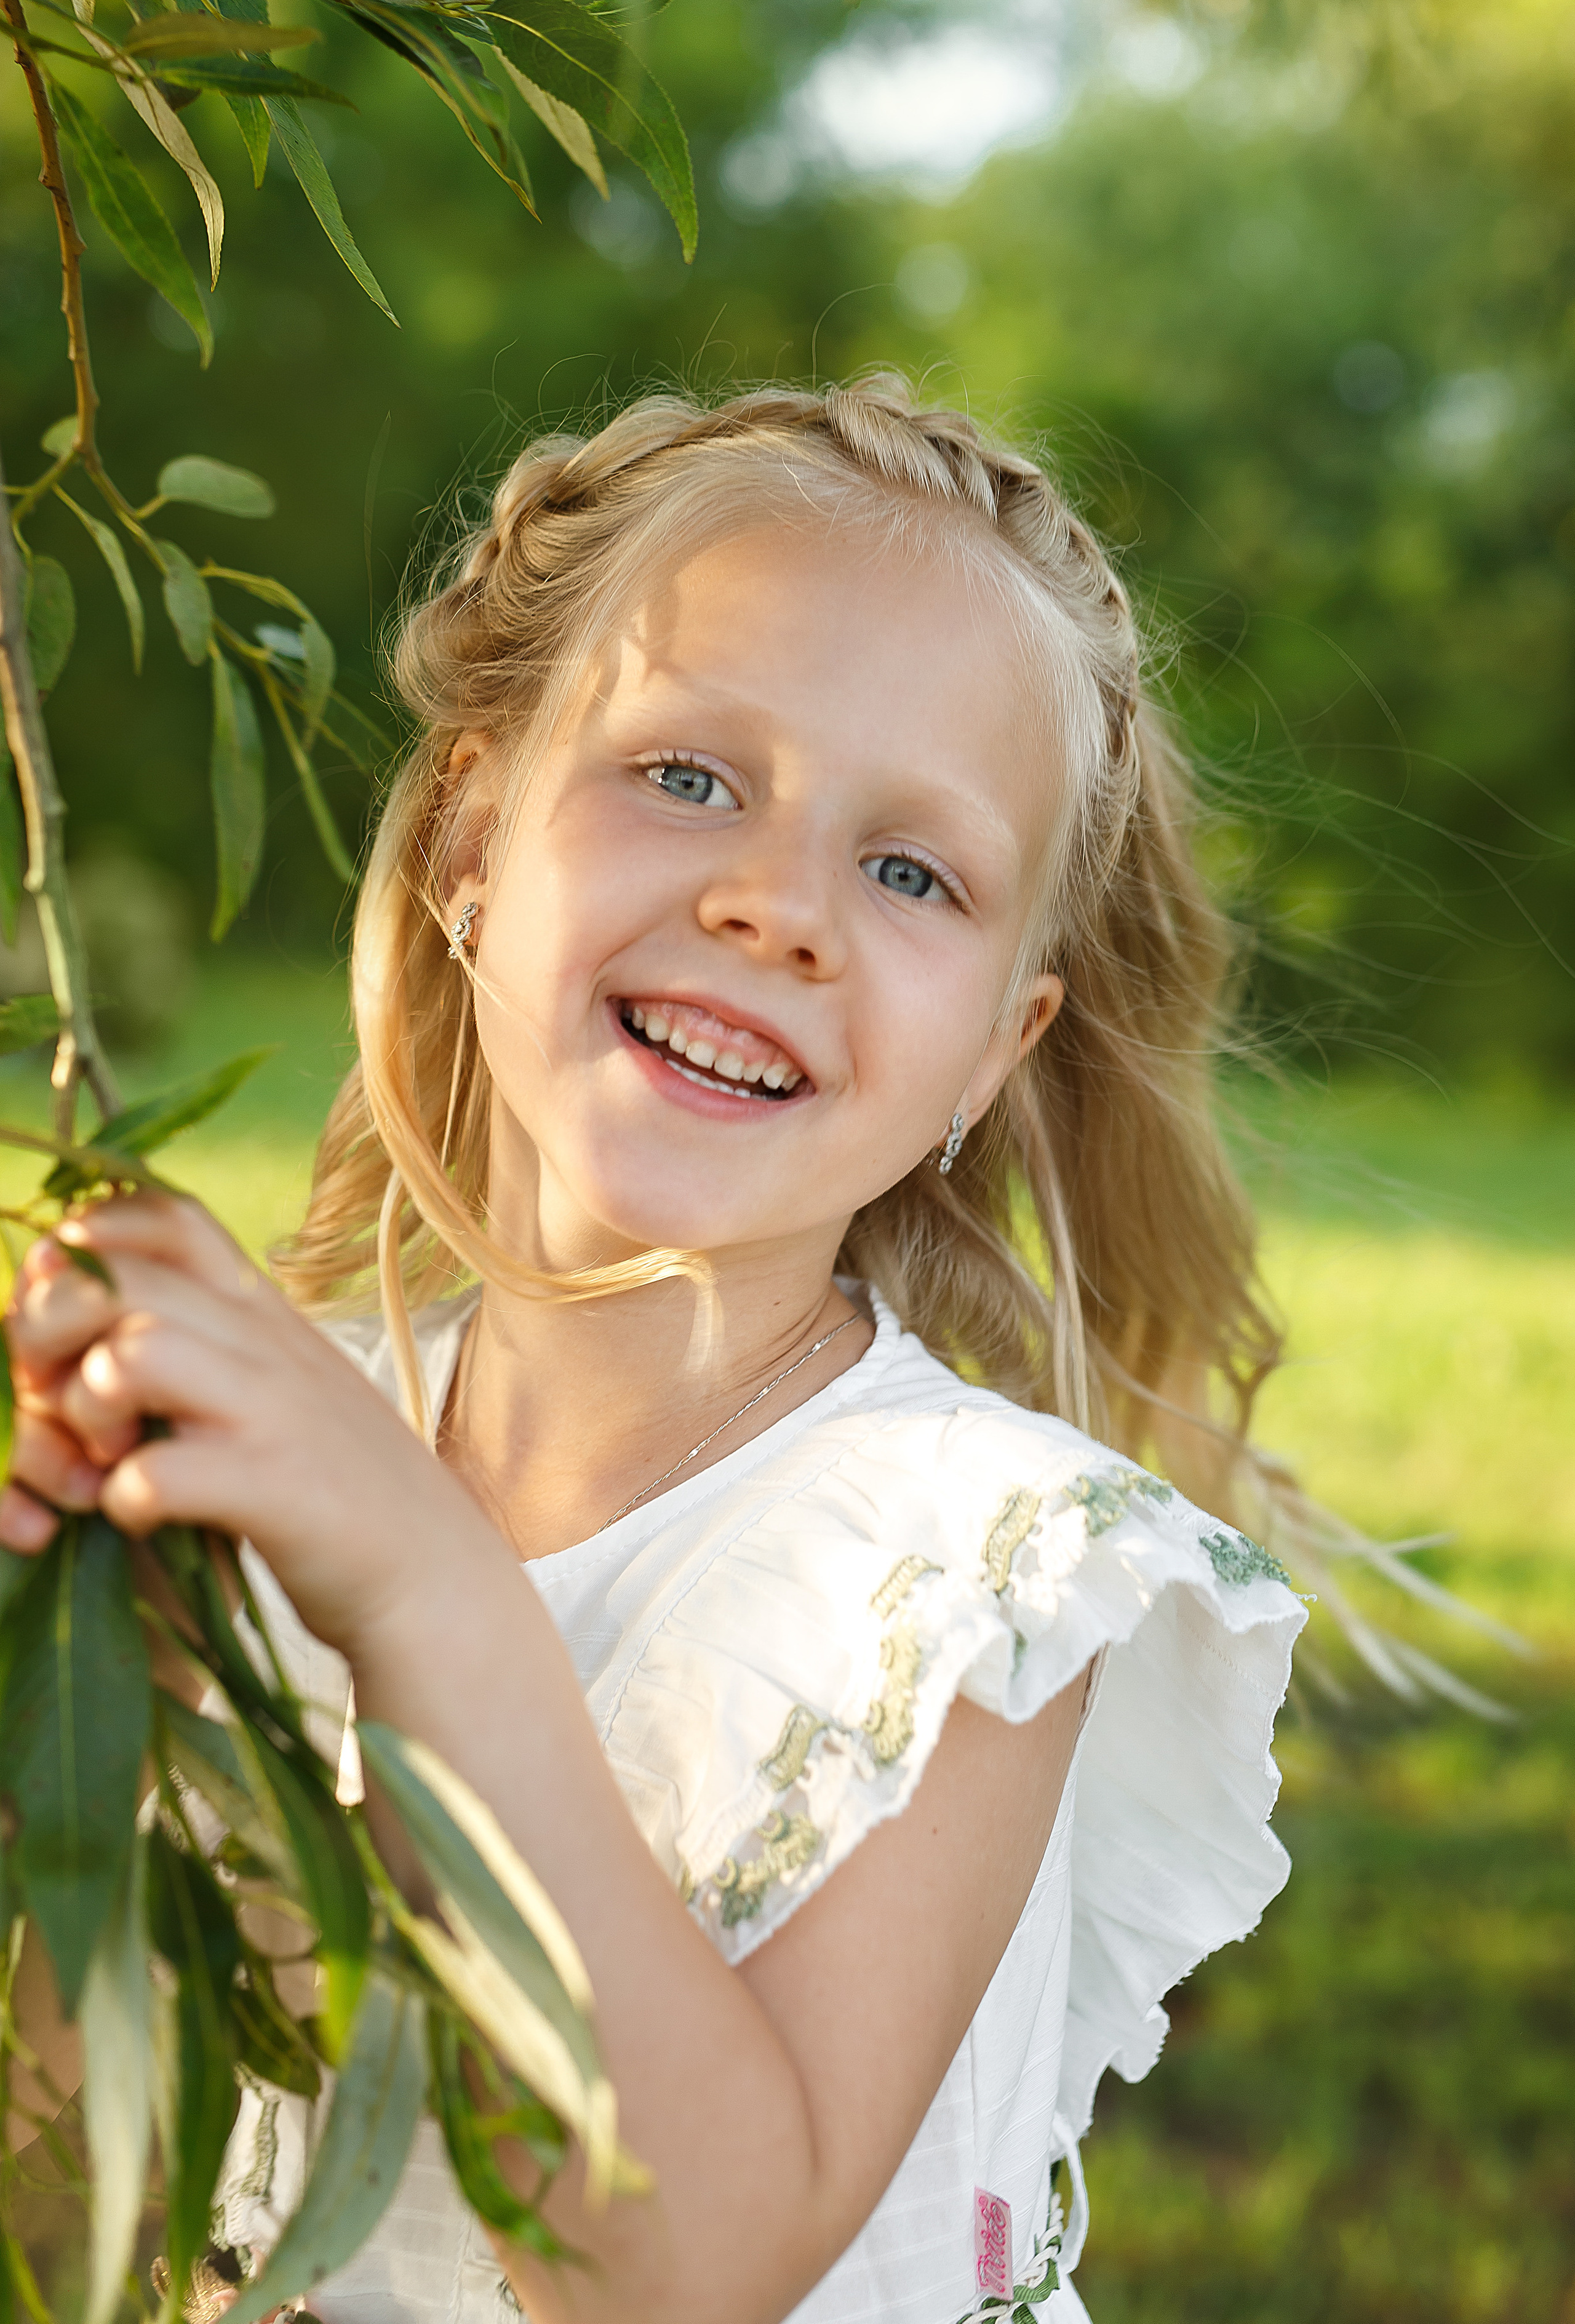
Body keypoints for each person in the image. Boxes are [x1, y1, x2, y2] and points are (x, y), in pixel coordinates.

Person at [0, 378, 1306, 2324]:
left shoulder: (970, 1575)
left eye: (911, 871)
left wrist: (428, 1593)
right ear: (467, 840)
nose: (775, 905)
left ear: (994, 1055)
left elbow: (685, 2261)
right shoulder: (271, 1451)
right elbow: (74, 2184)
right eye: (690, 776)